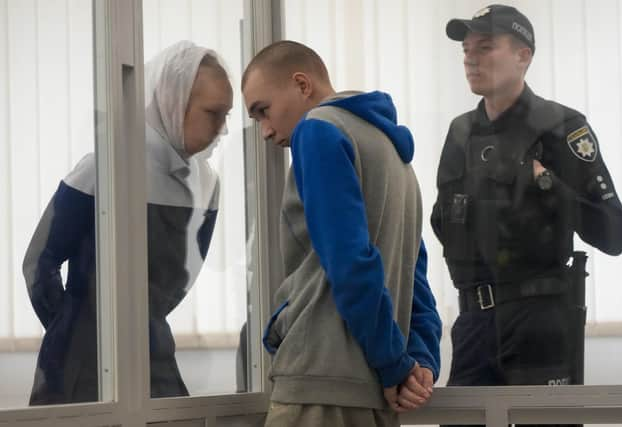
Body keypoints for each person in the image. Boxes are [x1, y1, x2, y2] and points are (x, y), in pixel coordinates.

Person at [431, 3, 622, 395]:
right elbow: (444, 222)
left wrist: (548, 186)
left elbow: (614, 233)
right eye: (466, 50)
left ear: (523, 56)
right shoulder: (460, 133)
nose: (470, 58)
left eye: (485, 47)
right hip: (474, 323)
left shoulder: (561, 127)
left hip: (539, 324)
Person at [241, 40, 442, 427]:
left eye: (263, 111)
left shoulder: (318, 131)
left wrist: (395, 364)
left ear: (302, 85)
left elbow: (351, 263)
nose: (265, 131)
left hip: (320, 384)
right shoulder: (397, 156)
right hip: (376, 392)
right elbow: (414, 276)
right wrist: (417, 362)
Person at [23, 40, 233, 404]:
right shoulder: (103, 168)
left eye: (227, 115)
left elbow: (178, 282)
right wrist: (74, 332)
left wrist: (141, 328)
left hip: (153, 353)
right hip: (79, 365)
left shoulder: (209, 183)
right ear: (174, 99)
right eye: (213, 113)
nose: (223, 129)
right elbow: (39, 263)